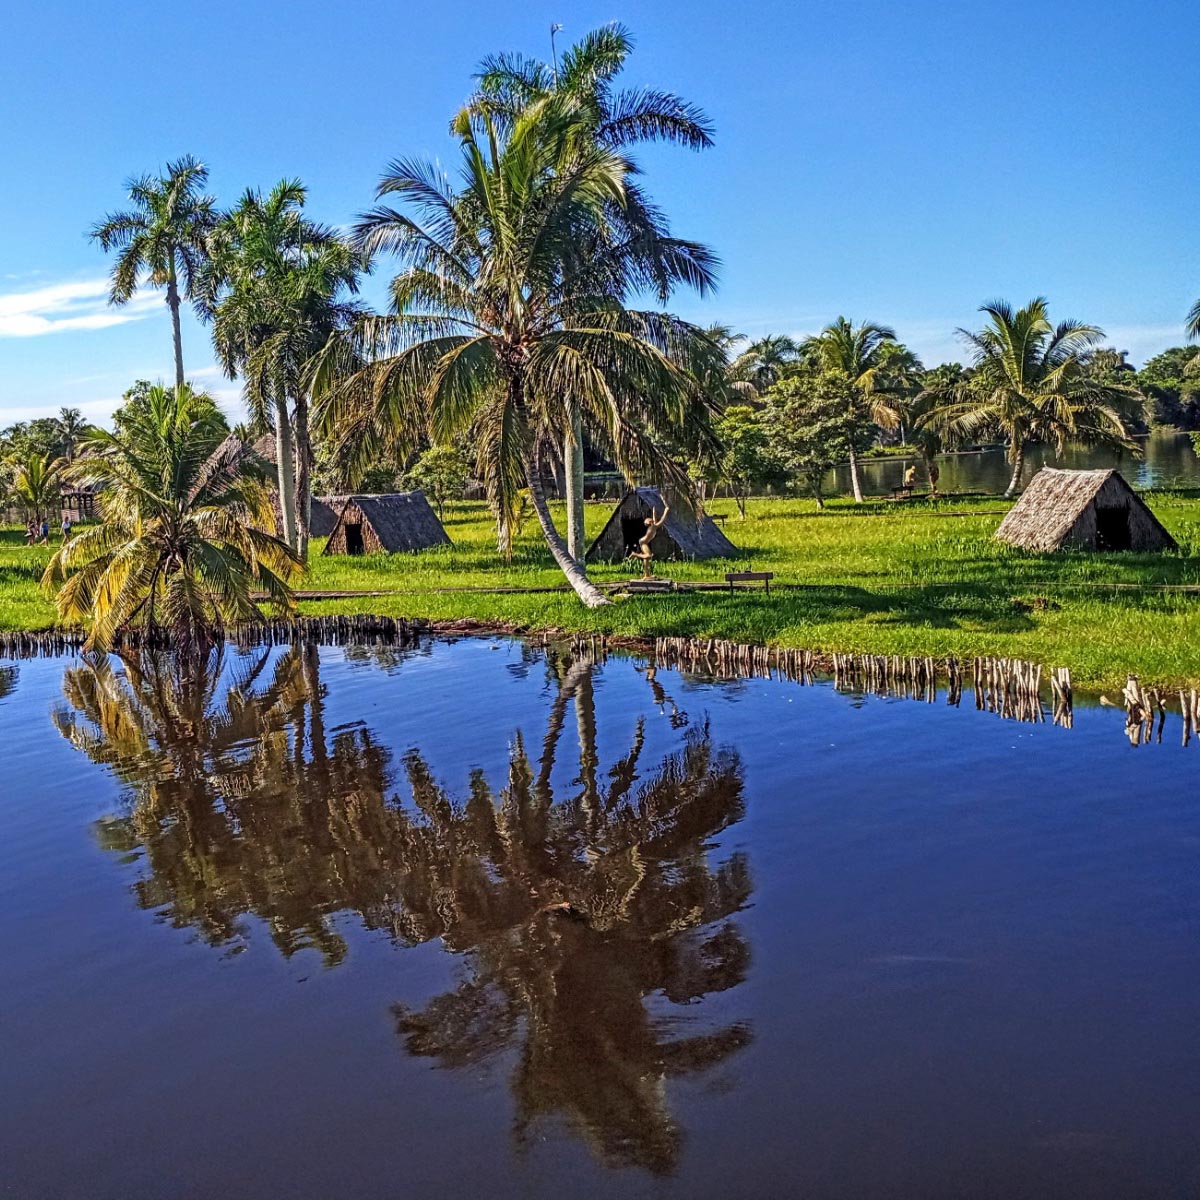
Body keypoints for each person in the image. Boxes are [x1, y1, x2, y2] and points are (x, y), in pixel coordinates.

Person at [627, 501, 670, 579]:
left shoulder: (653, 526)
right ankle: (634, 554)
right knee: (648, 556)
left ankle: (647, 575)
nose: (653, 520)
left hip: (643, 542)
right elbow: (662, 520)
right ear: (651, 523)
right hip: (643, 542)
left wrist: (654, 509)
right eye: (652, 520)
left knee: (647, 559)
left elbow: (654, 518)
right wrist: (666, 511)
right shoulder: (654, 527)